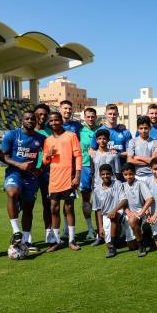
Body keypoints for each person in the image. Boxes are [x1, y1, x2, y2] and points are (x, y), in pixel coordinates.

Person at [0, 111, 45, 251]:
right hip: (15, 173)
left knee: (28, 208)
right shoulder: (12, 135)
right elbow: (2, 156)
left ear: (36, 121)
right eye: (27, 118)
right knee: (12, 193)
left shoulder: (41, 138)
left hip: (31, 177)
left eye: (32, 119)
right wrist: (19, 165)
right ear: (22, 120)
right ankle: (16, 231)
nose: (30, 120)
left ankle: (25, 241)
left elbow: (48, 155)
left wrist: (40, 168)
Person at [42, 112, 82, 252]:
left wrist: (77, 176)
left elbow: (78, 156)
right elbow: (45, 161)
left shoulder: (71, 136)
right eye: (51, 121)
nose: (54, 123)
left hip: (68, 178)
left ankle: (72, 240)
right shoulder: (48, 140)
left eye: (56, 120)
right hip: (54, 179)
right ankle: (57, 240)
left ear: (61, 121)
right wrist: (48, 155)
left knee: (69, 208)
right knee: (54, 208)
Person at [88, 129, 121, 246]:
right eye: (100, 139)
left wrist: (117, 187)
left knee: (113, 210)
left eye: (104, 139)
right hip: (97, 186)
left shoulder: (113, 155)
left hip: (112, 187)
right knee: (98, 210)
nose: (102, 141)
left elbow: (117, 173)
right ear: (96, 140)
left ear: (108, 140)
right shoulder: (92, 155)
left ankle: (115, 235)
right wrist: (93, 187)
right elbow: (92, 172)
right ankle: (99, 235)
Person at [92, 164, 127, 258]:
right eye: (103, 174)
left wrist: (114, 210)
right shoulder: (96, 190)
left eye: (107, 174)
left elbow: (124, 200)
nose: (105, 176)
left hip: (119, 212)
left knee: (114, 217)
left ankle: (112, 246)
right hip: (105, 216)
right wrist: (100, 227)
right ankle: (115, 242)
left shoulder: (118, 183)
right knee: (108, 241)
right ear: (100, 175)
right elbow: (98, 210)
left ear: (111, 174)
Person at [121, 163, 155, 257]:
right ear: (123, 175)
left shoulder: (140, 184)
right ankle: (144, 236)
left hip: (142, 212)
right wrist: (128, 212)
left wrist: (142, 212)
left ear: (135, 173)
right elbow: (122, 202)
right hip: (129, 212)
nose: (128, 176)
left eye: (131, 174)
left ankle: (141, 245)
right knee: (131, 246)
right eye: (126, 174)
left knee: (132, 221)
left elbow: (150, 199)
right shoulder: (122, 186)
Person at [91, 104, 132, 181]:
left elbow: (130, 152)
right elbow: (92, 150)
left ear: (118, 115)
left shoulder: (125, 132)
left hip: (122, 171)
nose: (112, 116)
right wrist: (105, 153)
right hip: (104, 174)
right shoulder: (98, 131)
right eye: (110, 114)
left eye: (114, 114)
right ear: (105, 114)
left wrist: (117, 154)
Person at [34, 104, 55, 243]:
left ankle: (49, 234)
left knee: (48, 204)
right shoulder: (27, 131)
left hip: (47, 173)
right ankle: (25, 236)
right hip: (31, 173)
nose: (42, 117)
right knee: (27, 204)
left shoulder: (50, 132)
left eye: (44, 115)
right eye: (39, 114)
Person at [79, 107, 99, 241]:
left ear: (96, 117)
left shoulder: (101, 130)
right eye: (88, 117)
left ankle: (102, 229)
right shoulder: (79, 131)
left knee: (100, 199)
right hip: (85, 167)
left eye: (93, 117)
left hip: (99, 168)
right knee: (86, 200)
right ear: (84, 118)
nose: (91, 119)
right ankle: (90, 229)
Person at [127, 116, 157, 185]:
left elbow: (156, 162)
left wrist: (139, 157)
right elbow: (130, 160)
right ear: (137, 129)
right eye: (141, 128)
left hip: (152, 176)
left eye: (146, 128)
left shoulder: (155, 142)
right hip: (137, 176)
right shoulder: (132, 142)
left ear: (150, 128)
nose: (143, 131)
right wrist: (150, 161)